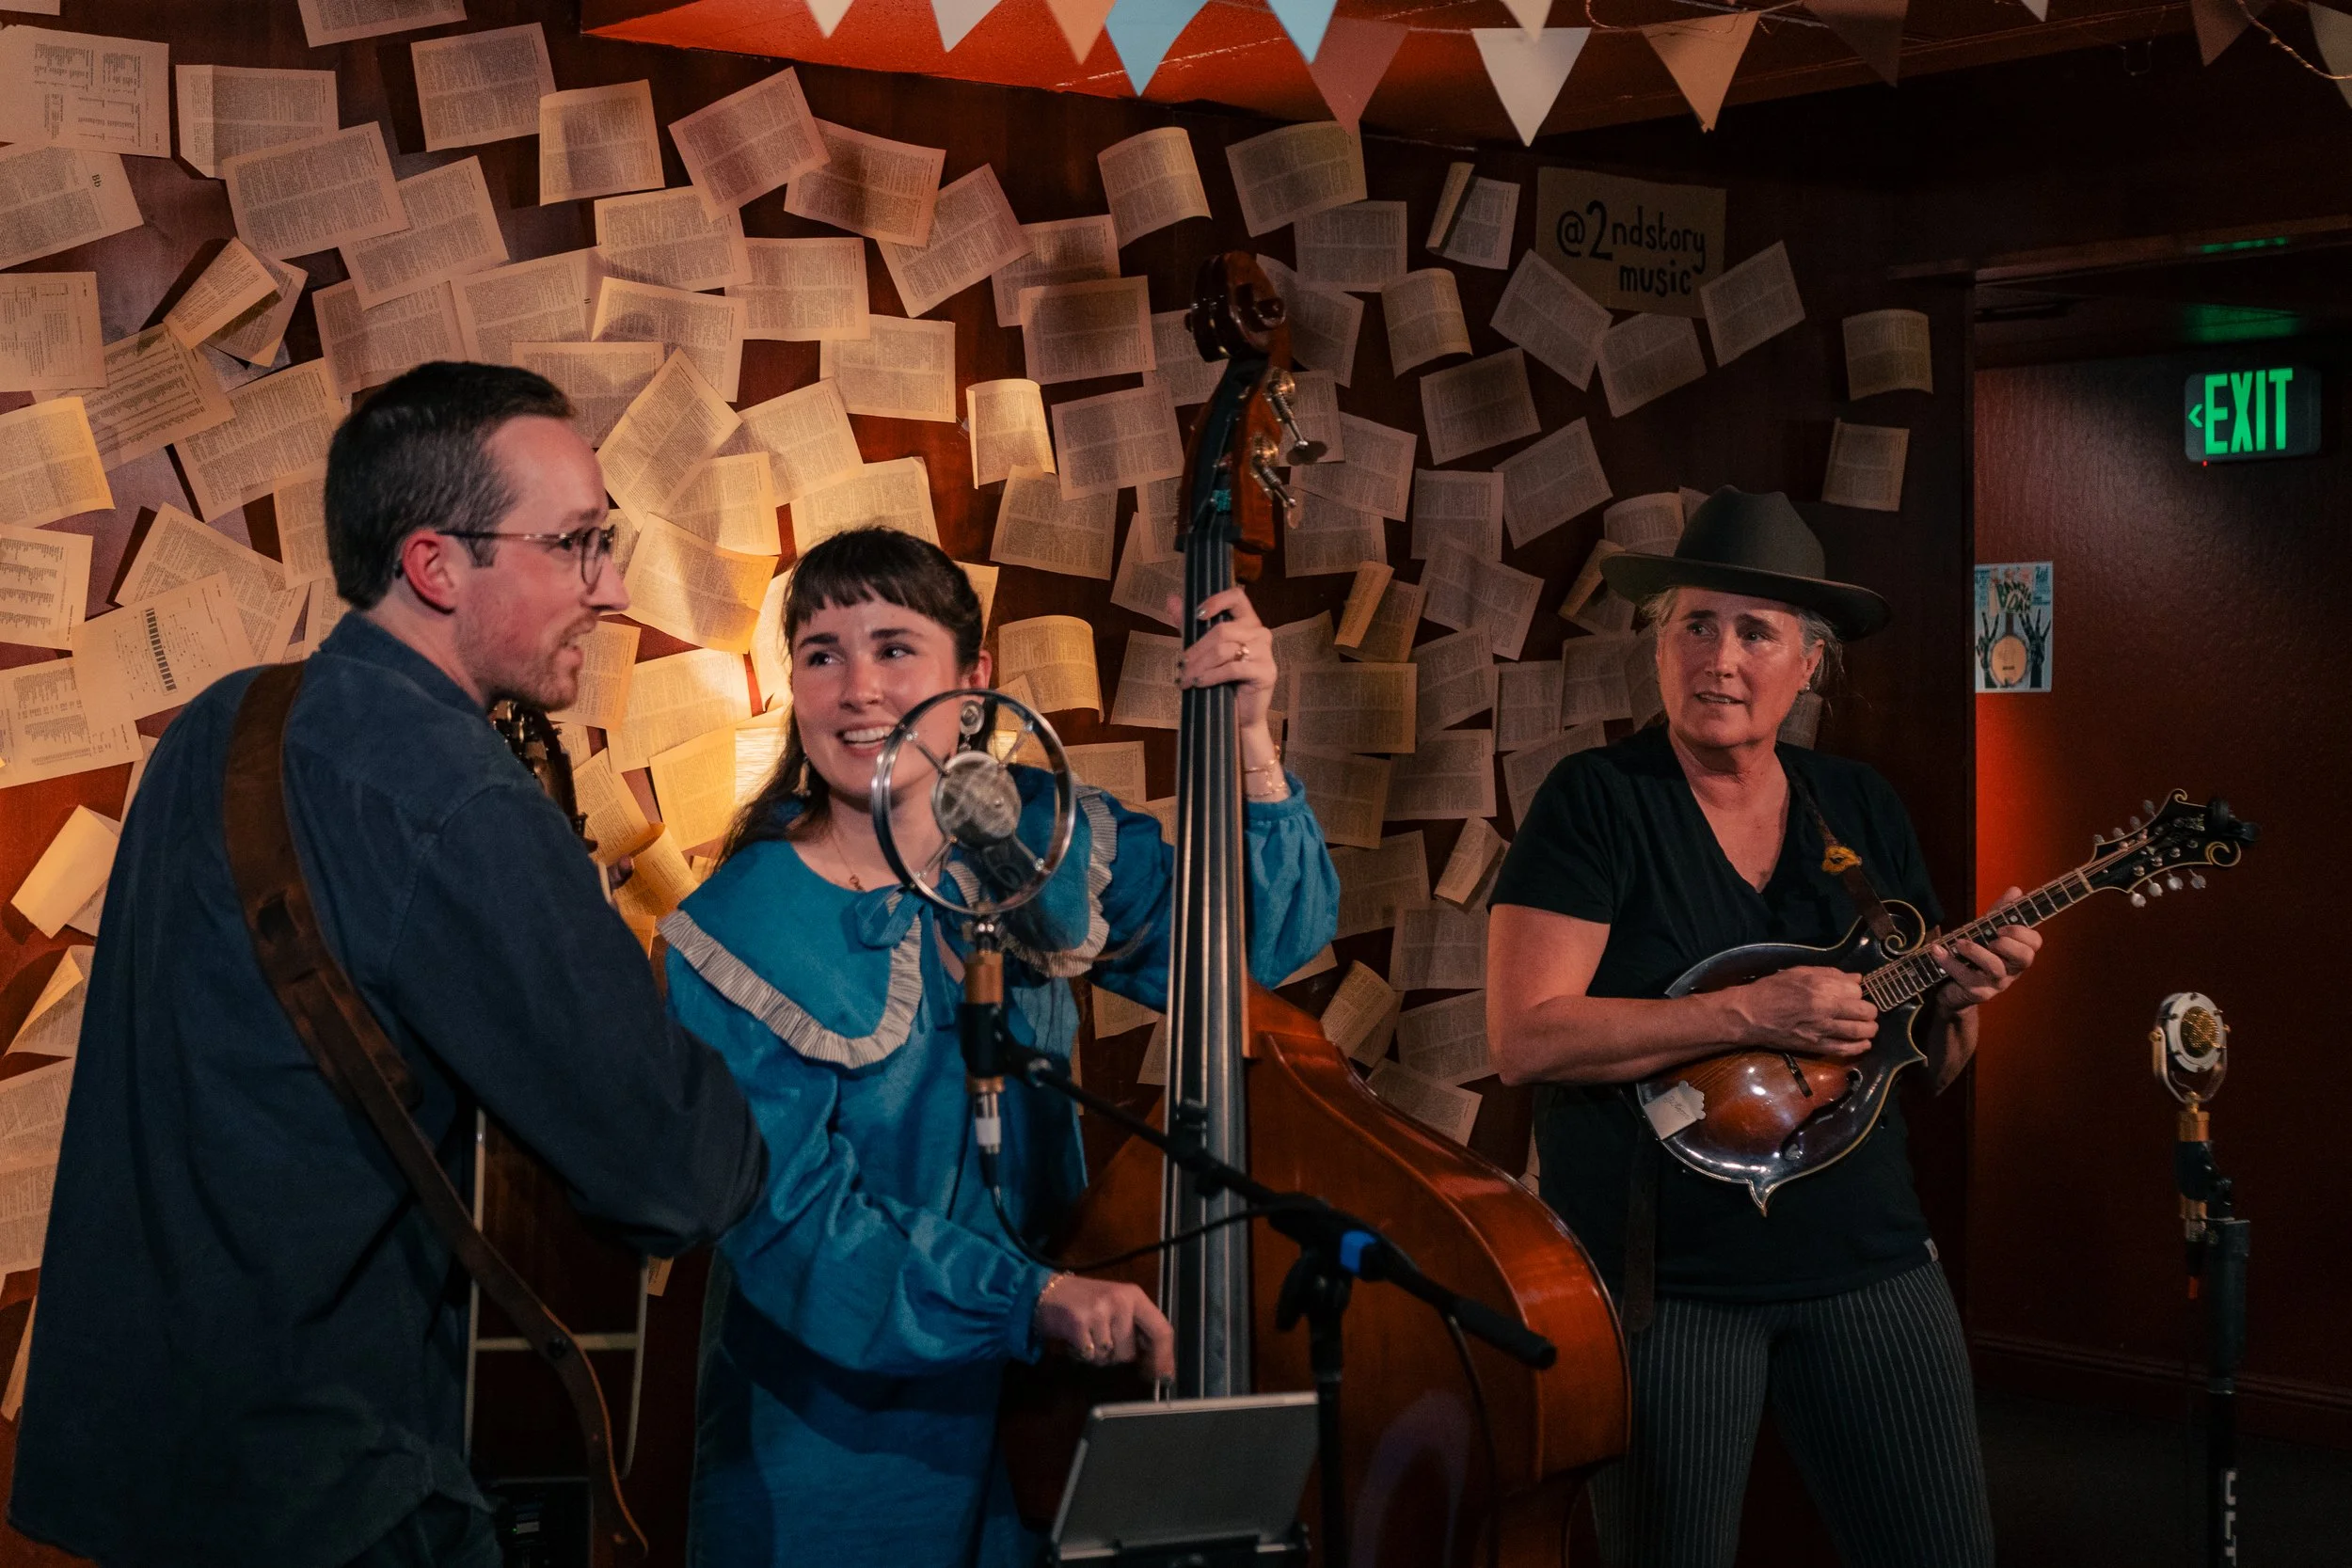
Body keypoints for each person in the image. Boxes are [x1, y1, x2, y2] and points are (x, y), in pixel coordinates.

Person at [11, 363, 770, 1568]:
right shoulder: (458, 797)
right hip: (335, 1496)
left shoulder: (225, 721)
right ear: (434, 564)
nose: (613, 587)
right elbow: (676, 1172)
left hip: (146, 1474)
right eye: (577, 543)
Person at [662, 527, 1339, 1568]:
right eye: (821, 652)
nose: (856, 688)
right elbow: (793, 1225)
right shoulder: (743, 925)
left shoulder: (1038, 839)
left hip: (1039, 1411)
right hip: (842, 1445)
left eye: (894, 647)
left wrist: (1248, 740)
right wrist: (1026, 1298)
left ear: (973, 686)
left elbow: (1256, 945)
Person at [1486, 488, 2041, 1568]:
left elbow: (1920, 1064)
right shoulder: (1595, 800)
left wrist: (1965, 1003)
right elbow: (1527, 1038)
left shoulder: (1859, 804)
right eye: (1695, 623)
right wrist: (1749, 1008)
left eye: (1755, 632)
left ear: (1808, 663)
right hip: (1671, 1286)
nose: (1719, 657)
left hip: (1869, 1257)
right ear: (1660, 645)